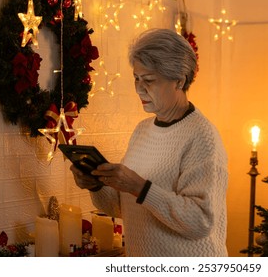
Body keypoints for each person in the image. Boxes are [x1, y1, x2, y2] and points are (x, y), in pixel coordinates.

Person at [70, 28, 228, 257]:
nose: (139, 89)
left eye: (149, 80)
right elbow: (123, 207)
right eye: (136, 78)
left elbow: (200, 221)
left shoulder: (202, 137)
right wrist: (96, 183)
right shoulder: (142, 131)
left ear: (179, 80)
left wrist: (140, 187)